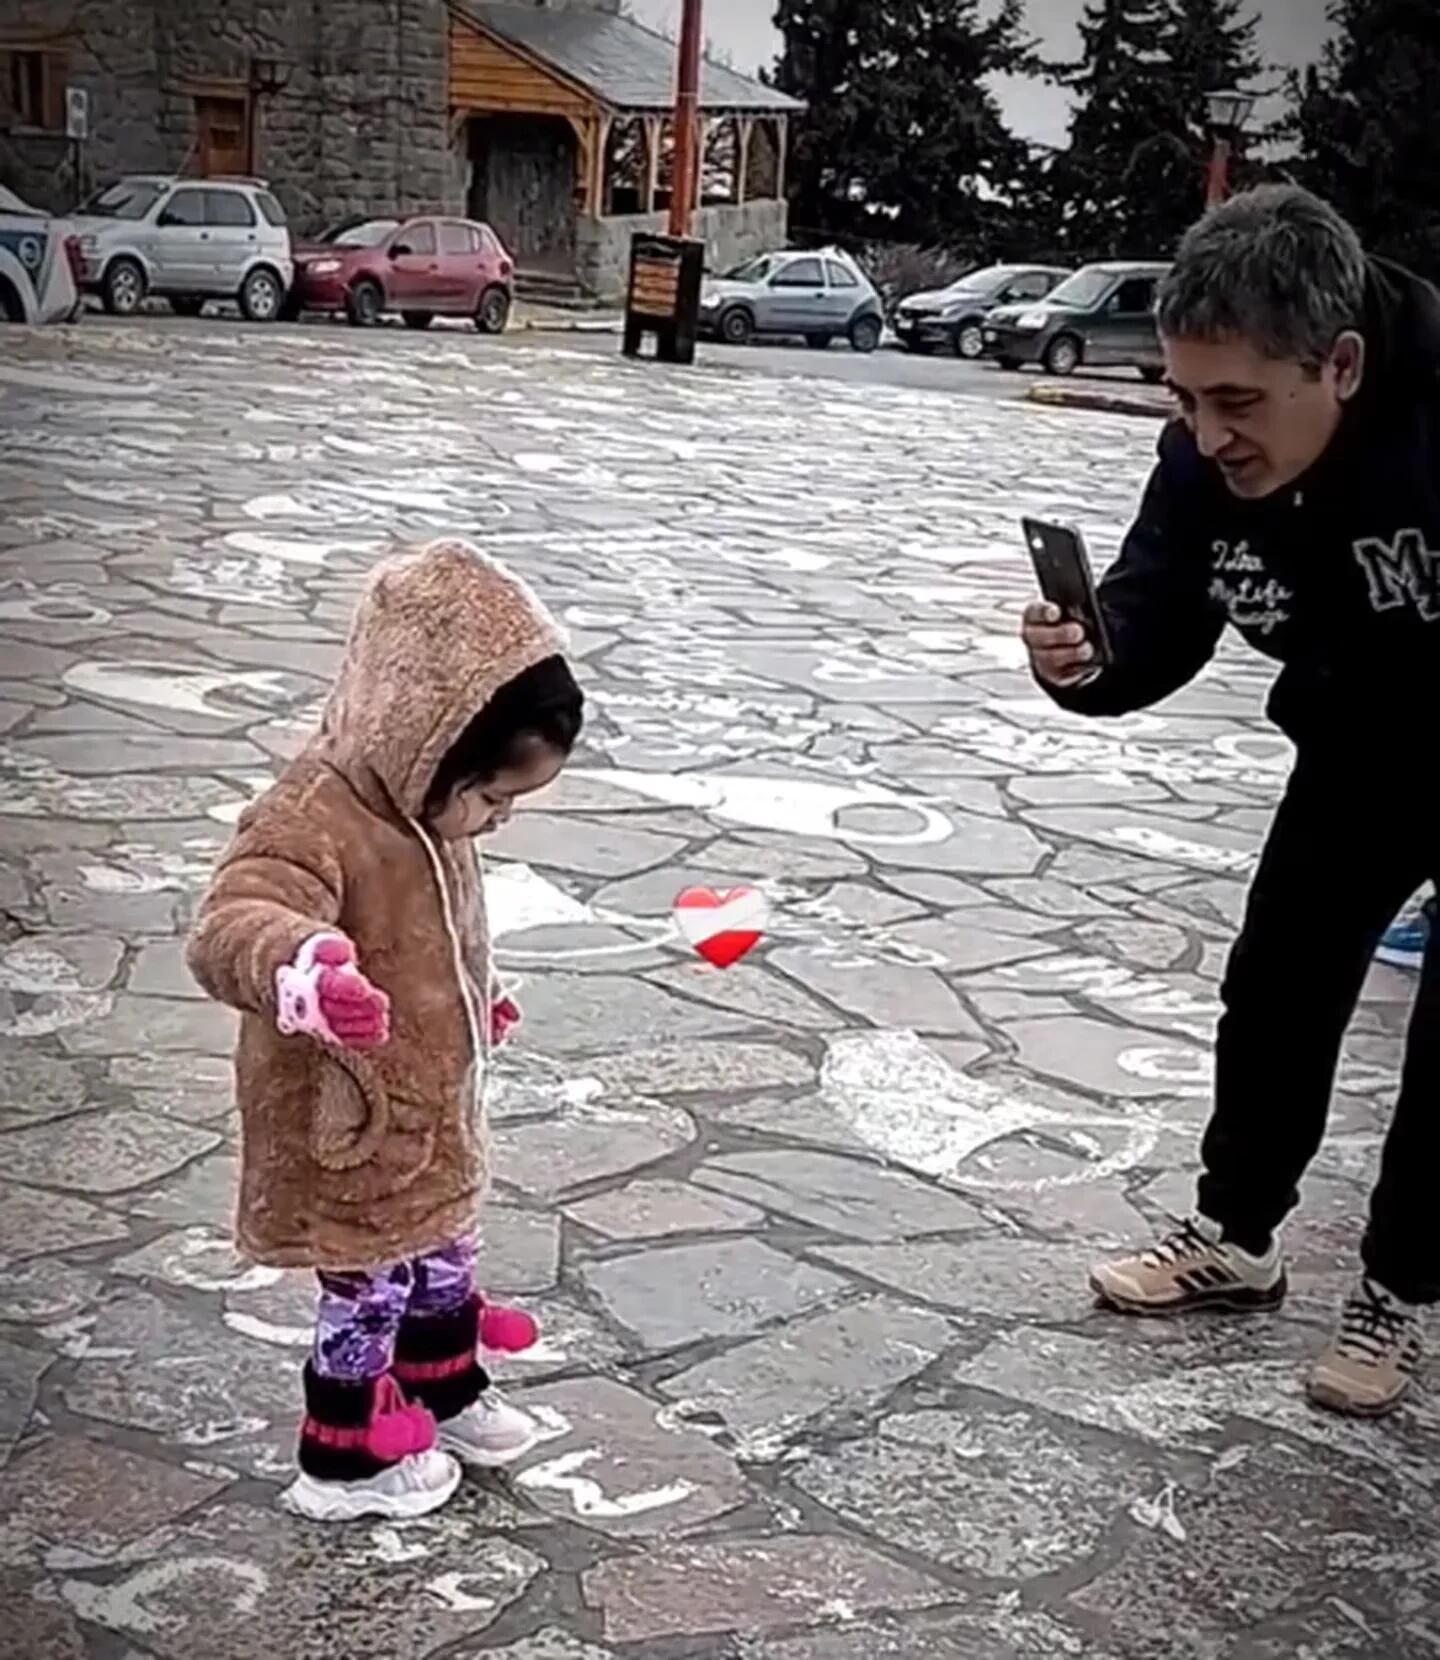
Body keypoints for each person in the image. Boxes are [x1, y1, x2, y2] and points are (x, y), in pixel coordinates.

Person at [1021, 185, 1438, 1418]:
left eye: (1240, 402)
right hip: (1359, 738)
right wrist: (1086, 663)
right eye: (1184, 398)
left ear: (1344, 364)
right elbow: (1156, 618)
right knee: (1279, 981)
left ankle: (1399, 1290)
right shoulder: (1201, 457)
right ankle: (1236, 1235)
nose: (1208, 434)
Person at [188, 539, 584, 1519]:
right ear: (421, 735)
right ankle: (346, 1449)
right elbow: (232, 918)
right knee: (367, 1285)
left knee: (446, 1247)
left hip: (430, 1112)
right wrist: (300, 967)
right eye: (491, 795)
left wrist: (471, 998)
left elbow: (434, 936)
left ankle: (442, 1380)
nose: (497, 821)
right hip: (349, 1118)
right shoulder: (313, 814)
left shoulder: (428, 811)